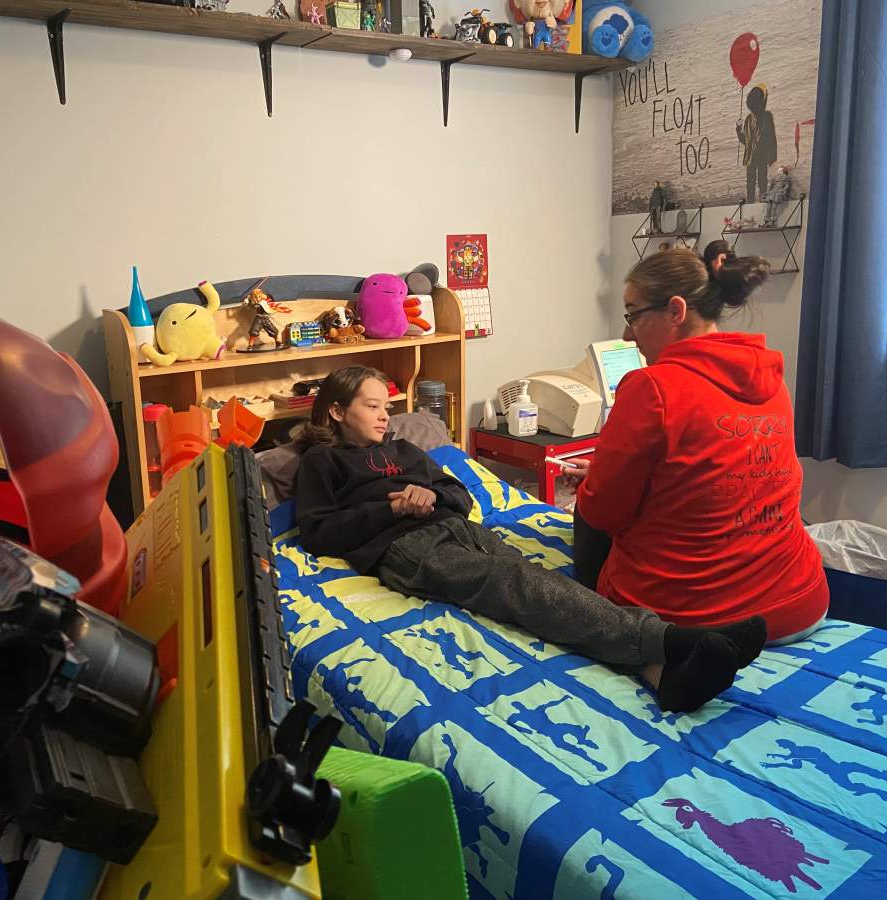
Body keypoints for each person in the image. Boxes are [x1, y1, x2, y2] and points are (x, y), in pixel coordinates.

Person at [293, 365, 766, 713]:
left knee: (538, 581)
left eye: (387, 406)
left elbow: (460, 495)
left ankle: (661, 675)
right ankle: (675, 639)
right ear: (336, 410)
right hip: (405, 548)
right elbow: (318, 533)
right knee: (517, 586)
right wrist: (391, 508)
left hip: (459, 528)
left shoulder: (405, 448)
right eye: (372, 406)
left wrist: (433, 496)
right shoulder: (323, 461)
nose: (385, 416)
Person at [566, 249, 828, 644]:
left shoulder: (652, 387)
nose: (627, 335)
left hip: (698, 619)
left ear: (676, 311)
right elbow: (716, 477)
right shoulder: (769, 378)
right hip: (801, 602)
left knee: (587, 512)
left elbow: (603, 511)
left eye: (633, 314)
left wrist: (596, 483)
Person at [736, 84, 778, 204]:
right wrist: (738, 129)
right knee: (750, 181)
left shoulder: (767, 117)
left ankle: (762, 200)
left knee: (762, 180)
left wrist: (772, 155)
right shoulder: (748, 119)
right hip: (750, 157)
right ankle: (750, 202)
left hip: (762, 155)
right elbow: (745, 140)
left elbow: (772, 137)